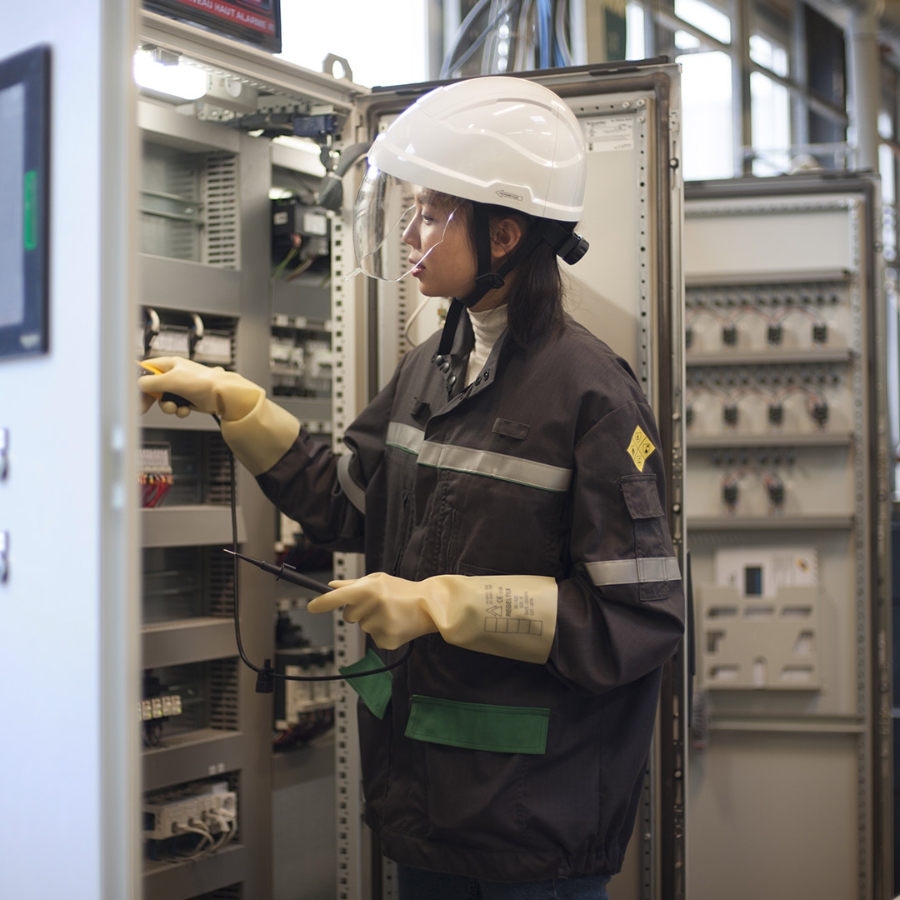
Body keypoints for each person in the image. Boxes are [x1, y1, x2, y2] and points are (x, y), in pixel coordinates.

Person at [140, 76, 685, 900]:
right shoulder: (431, 365)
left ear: (504, 234)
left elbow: (635, 621)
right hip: (424, 799)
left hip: (532, 823)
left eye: (432, 212)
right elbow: (346, 502)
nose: (409, 231)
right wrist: (238, 405)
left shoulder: (591, 392)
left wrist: (440, 605)